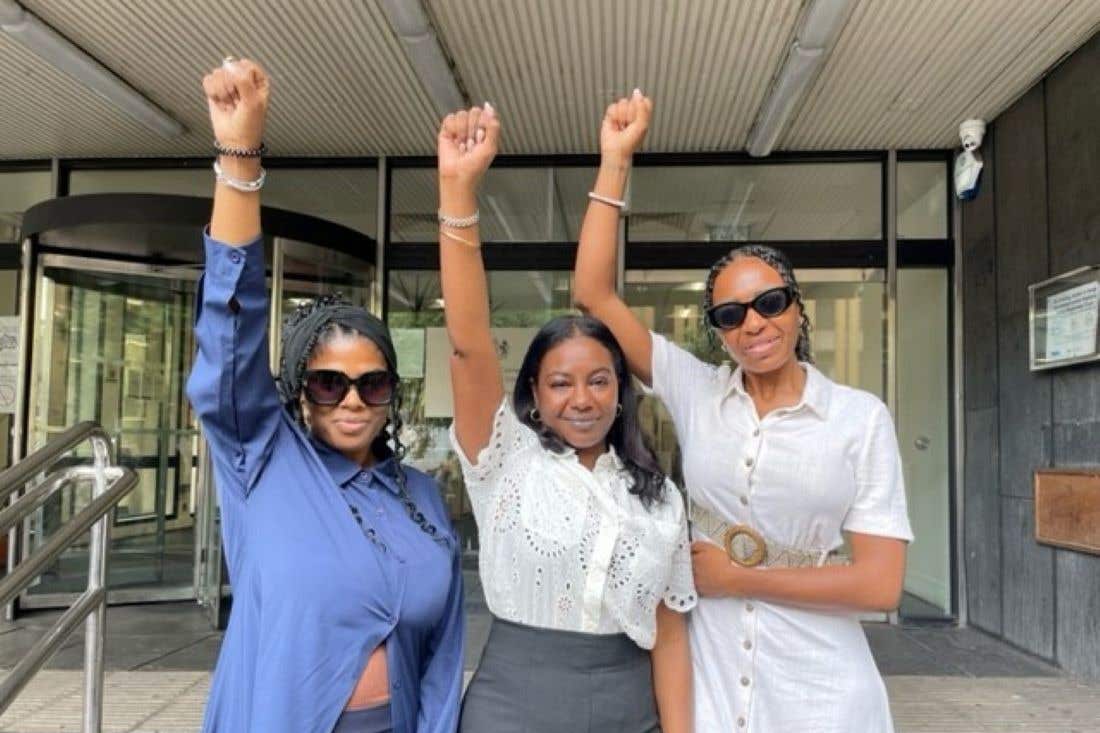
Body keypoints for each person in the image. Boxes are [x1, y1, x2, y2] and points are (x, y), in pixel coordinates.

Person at [573, 90, 914, 733]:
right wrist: (615, 160)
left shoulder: (858, 418)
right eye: (730, 315)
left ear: (797, 306)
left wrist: (739, 579)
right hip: (712, 678)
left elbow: (878, 586)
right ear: (718, 332)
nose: (753, 324)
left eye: (770, 303)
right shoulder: (698, 390)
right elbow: (593, 292)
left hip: (821, 692)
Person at [186, 58, 463, 733]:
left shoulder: (421, 496)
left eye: (372, 382)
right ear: (298, 391)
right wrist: (240, 156)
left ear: (392, 394)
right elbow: (231, 331)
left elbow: (442, 656)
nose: (351, 399)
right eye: (327, 381)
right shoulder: (261, 461)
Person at [434, 103, 696, 733]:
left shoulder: (658, 497)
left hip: (630, 710)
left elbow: (671, 637)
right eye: (560, 382)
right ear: (534, 393)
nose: (582, 399)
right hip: (513, 707)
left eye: (599, 380)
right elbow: (469, 344)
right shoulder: (504, 461)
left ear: (621, 391)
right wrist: (457, 191)